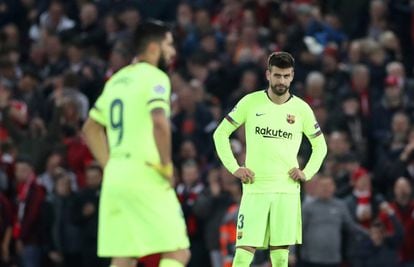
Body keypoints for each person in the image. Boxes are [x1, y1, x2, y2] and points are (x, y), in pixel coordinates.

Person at [82, 21, 190, 267]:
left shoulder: (116, 80)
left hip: (116, 176)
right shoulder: (155, 77)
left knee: (124, 258)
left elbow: (90, 128)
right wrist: (167, 166)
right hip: (146, 172)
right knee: (178, 252)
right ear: (154, 48)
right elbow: (159, 122)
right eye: (169, 45)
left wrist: (110, 166)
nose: (172, 52)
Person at [213, 51, 327, 267]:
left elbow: (320, 145)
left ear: (292, 76)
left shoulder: (301, 109)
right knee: (243, 254)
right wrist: (235, 168)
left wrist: (306, 172)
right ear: (268, 74)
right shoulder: (250, 102)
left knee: (281, 256)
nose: (281, 81)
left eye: (286, 76)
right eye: (277, 75)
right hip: (256, 187)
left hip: (286, 189)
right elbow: (220, 134)